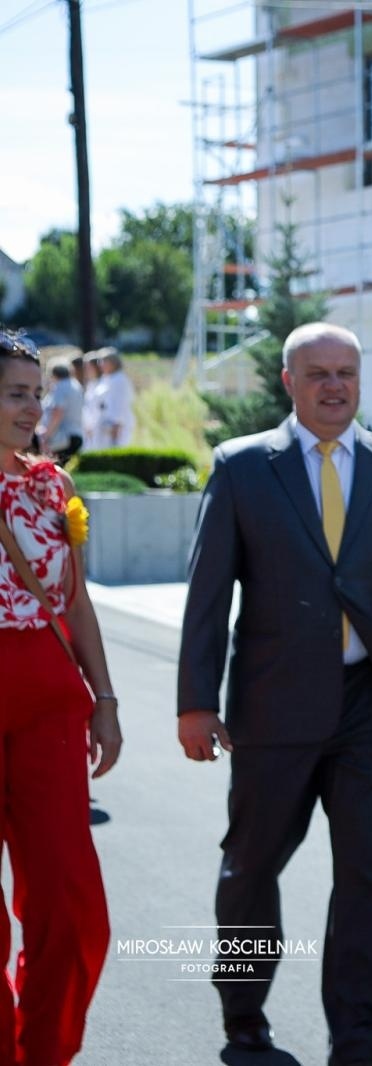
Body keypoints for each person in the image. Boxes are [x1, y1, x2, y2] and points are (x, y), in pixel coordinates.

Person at [176, 321, 372, 1061]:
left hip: (369, 709)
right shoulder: (242, 467)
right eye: (317, 373)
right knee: (251, 864)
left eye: (346, 373)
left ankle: (359, 1038)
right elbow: (206, 593)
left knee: (366, 875)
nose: (334, 387)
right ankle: (244, 1020)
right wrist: (196, 700)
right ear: (288, 382)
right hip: (272, 706)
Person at [0, 328, 122, 1063]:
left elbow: (74, 602)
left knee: (74, 910)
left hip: (49, 703)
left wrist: (103, 697)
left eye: (35, 393)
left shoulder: (53, 485)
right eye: (16, 393)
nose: (34, 408)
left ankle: (42, 1050)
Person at [40, 359, 85, 463]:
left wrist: (45, 437)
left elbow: (57, 413)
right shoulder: (75, 385)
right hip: (75, 435)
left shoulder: (60, 387)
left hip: (62, 439)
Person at [93, 349, 136, 449]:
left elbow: (119, 406)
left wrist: (115, 429)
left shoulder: (120, 380)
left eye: (104, 361)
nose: (101, 365)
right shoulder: (106, 378)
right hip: (103, 427)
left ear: (113, 363)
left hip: (115, 429)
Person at [79, 353, 102, 452]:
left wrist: (92, 426)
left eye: (89, 367)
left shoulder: (102, 384)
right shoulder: (90, 385)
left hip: (97, 431)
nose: (86, 371)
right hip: (87, 431)